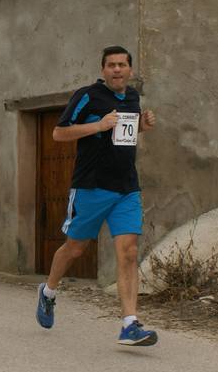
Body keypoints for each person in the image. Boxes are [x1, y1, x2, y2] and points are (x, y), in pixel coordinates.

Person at [36, 45, 159, 346]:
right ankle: (49, 291)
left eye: (122, 65)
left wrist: (141, 127)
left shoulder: (132, 97)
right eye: (111, 65)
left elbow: (122, 135)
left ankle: (130, 323)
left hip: (126, 187)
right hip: (91, 186)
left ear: (130, 70)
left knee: (129, 251)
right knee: (75, 249)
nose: (117, 69)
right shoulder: (87, 95)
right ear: (103, 70)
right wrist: (98, 125)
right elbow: (59, 133)